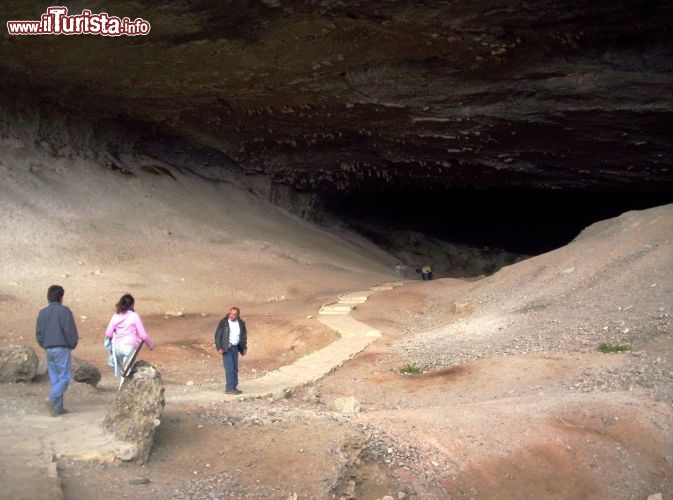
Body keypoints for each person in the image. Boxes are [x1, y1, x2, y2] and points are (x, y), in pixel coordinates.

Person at [35, 284, 79, 417]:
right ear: (61, 297)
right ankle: (52, 398)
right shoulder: (65, 311)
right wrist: (72, 344)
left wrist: (44, 345)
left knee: (55, 379)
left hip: (49, 349)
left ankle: (58, 408)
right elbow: (69, 331)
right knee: (65, 378)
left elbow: (39, 333)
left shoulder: (42, 313)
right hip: (62, 348)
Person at [104, 294, 155, 378]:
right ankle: (124, 389)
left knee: (122, 373)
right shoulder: (134, 316)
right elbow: (143, 335)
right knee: (126, 373)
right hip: (128, 347)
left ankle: (120, 389)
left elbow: (108, 334)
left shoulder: (115, 316)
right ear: (132, 305)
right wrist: (151, 345)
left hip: (116, 347)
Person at [214, 306, 248, 394]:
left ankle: (234, 386)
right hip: (227, 348)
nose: (232, 316)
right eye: (231, 314)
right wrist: (219, 347)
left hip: (235, 348)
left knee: (235, 368)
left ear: (238, 315)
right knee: (229, 368)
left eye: (234, 315)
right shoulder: (224, 322)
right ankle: (229, 388)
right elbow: (218, 335)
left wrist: (244, 347)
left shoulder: (241, 323)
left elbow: (243, 336)